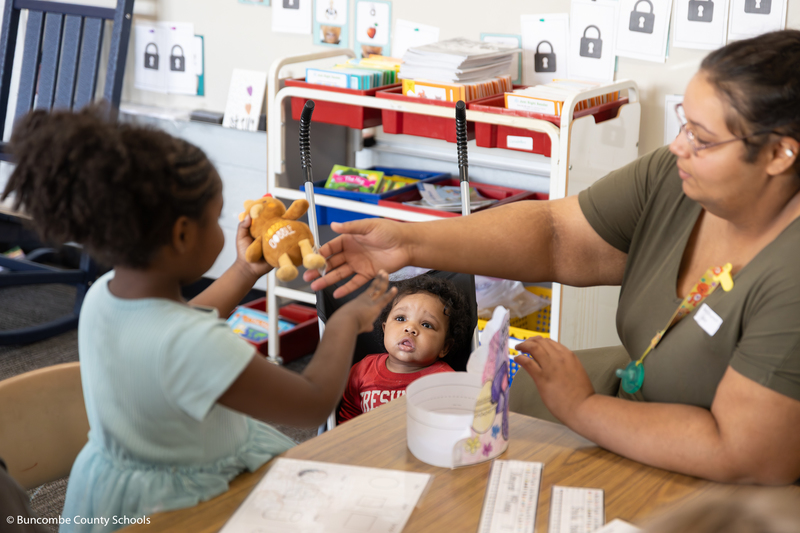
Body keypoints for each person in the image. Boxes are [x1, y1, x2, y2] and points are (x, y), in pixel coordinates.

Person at [305, 30, 800, 485]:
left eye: (702, 137)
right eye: (682, 124)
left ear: (781, 154)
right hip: (639, 398)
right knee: (484, 420)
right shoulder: (676, 177)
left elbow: (746, 455)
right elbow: (557, 233)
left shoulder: (790, 273)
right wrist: (410, 244)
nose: (677, 146)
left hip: (738, 478)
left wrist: (581, 407)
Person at [0, 106, 397, 532]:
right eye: (217, 218)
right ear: (183, 234)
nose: (224, 228)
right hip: (185, 507)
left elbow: (174, 329)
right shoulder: (195, 344)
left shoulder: (104, 295)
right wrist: (345, 322)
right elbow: (312, 401)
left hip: (112, 490)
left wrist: (245, 270)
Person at [336, 274, 471, 423]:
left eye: (426, 324)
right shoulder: (362, 370)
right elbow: (349, 415)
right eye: (400, 318)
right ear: (385, 328)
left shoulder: (444, 382)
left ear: (445, 347)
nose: (410, 328)